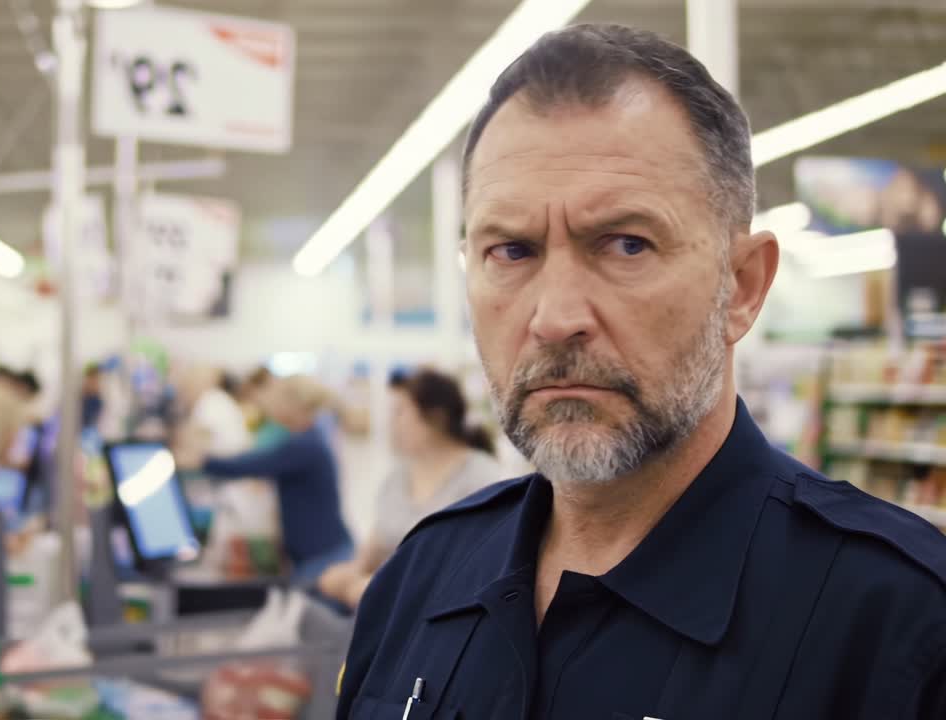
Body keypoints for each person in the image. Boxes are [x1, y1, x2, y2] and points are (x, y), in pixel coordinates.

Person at [337, 25, 946, 719]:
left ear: (741, 287)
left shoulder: (899, 627)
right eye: (511, 251)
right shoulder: (418, 579)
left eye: (627, 244)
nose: (555, 317)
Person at [317, 369, 500, 610]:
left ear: (435, 417)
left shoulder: (483, 479)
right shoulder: (398, 477)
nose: (392, 423)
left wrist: (380, 588)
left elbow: (478, 570)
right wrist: (350, 574)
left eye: (399, 412)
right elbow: (375, 546)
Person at [176, 374, 352, 586]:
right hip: (319, 553)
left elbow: (251, 465)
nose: (270, 405)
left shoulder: (304, 446)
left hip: (323, 557)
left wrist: (200, 460)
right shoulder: (306, 439)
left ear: (293, 404)